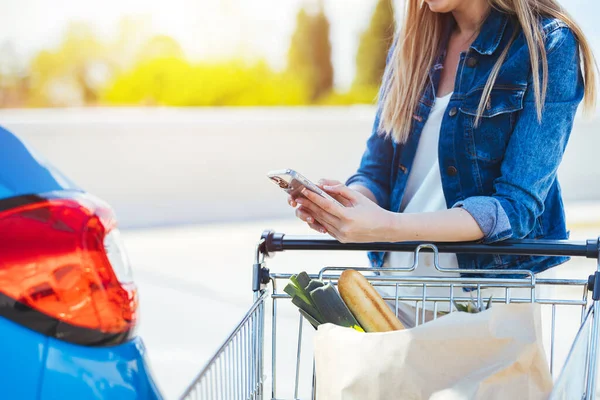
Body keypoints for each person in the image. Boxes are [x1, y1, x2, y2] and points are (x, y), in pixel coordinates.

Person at [288, 0, 597, 327]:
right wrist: (342, 204)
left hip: (487, 307)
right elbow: (376, 172)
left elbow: (515, 207)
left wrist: (387, 226)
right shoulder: (412, 46)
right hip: (391, 299)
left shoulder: (547, 44)